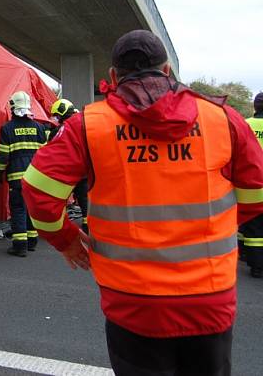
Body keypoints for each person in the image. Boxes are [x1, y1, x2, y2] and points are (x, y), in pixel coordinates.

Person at [22, 29, 263, 376]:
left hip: (133, 301)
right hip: (209, 296)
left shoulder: (89, 125)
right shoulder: (221, 118)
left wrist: (67, 239)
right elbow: (255, 193)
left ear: (114, 78)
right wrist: (218, 227)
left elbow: (37, 191)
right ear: (167, 71)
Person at [0, 91, 47, 257]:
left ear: (12, 107)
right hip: (36, 177)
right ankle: (32, 242)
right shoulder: (39, 127)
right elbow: (46, 154)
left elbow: (3, 156)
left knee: (18, 209)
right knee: (32, 208)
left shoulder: (7, 129)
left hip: (17, 178)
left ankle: (20, 246)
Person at [49, 98, 89, 234]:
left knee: (60, 201)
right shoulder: (84, 126)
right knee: (85, 201)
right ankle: (87, 226)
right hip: (83, 172)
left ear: (61, 114)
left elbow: (51, 152)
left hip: (65, 174)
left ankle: (61, 228)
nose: (56, 118)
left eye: (57, 115)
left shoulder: (57, 132)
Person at [240, 92, 263, 277]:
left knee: (253, 230)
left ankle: (255, 264)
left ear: (255, 107)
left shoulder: (245, 124)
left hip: (251, 187)